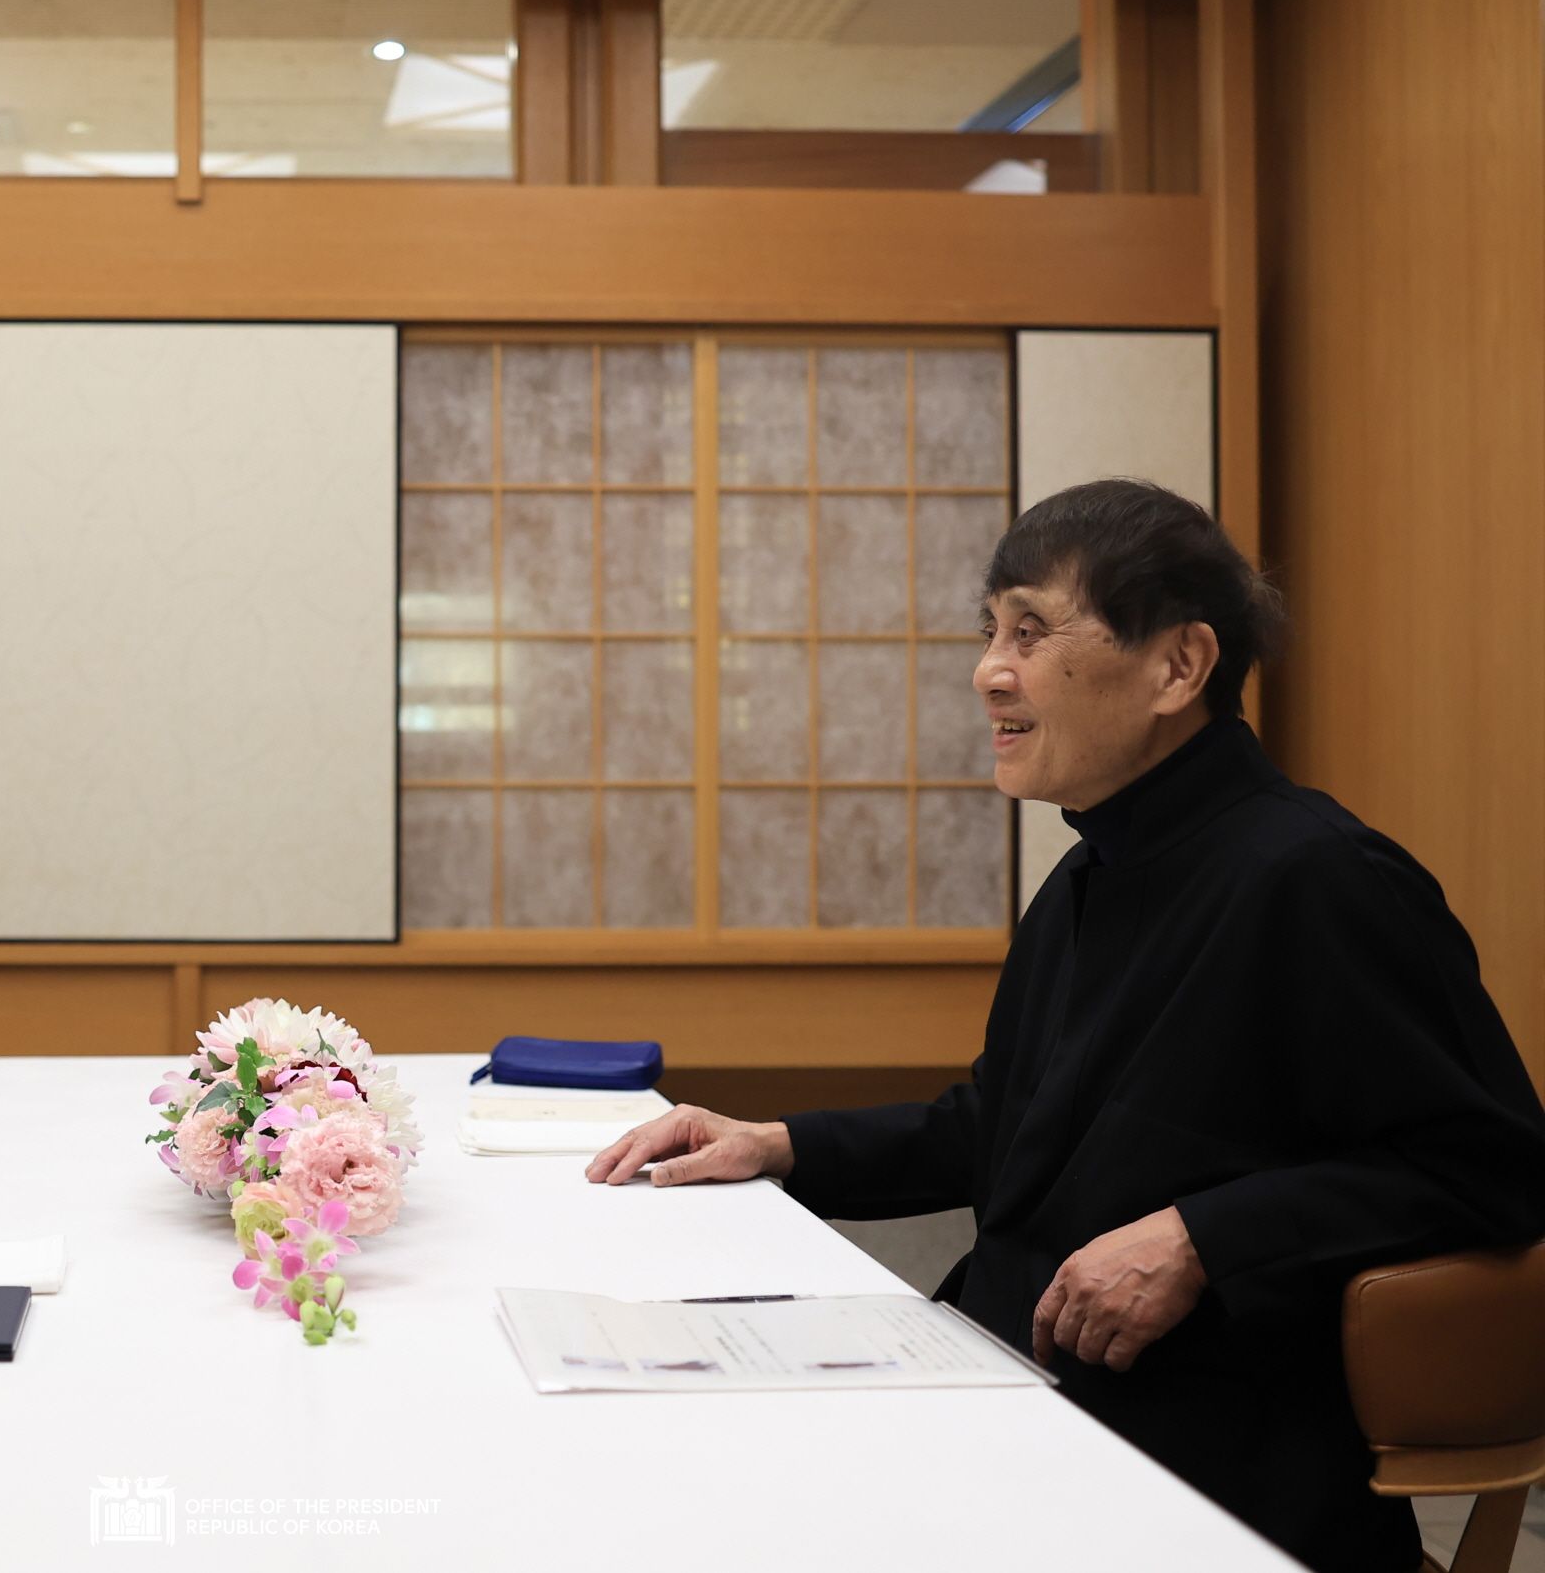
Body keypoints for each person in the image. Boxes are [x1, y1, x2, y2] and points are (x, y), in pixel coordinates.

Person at [587, 479, 1545, 1573]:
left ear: (1178, 666)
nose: (989, 667)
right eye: (991, 628)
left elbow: (1493, 1167)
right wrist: (777, 1142)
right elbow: (1005, 1124)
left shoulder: (1318, 877)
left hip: (1192, 1469)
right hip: (1016, 1395)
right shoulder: (1094, 868)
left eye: (1032, 630)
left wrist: (1201, 1235)